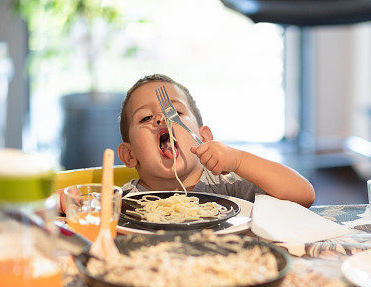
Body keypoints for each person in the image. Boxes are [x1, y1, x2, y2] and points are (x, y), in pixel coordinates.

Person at [117, 74, 315, 207]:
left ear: (203, 138)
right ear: (130, 154)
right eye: (145, 118)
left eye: (175, 112)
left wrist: (239, 160)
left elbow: (303, 195)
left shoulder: (226, 184)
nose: (162, 118)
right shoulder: (124, 202)